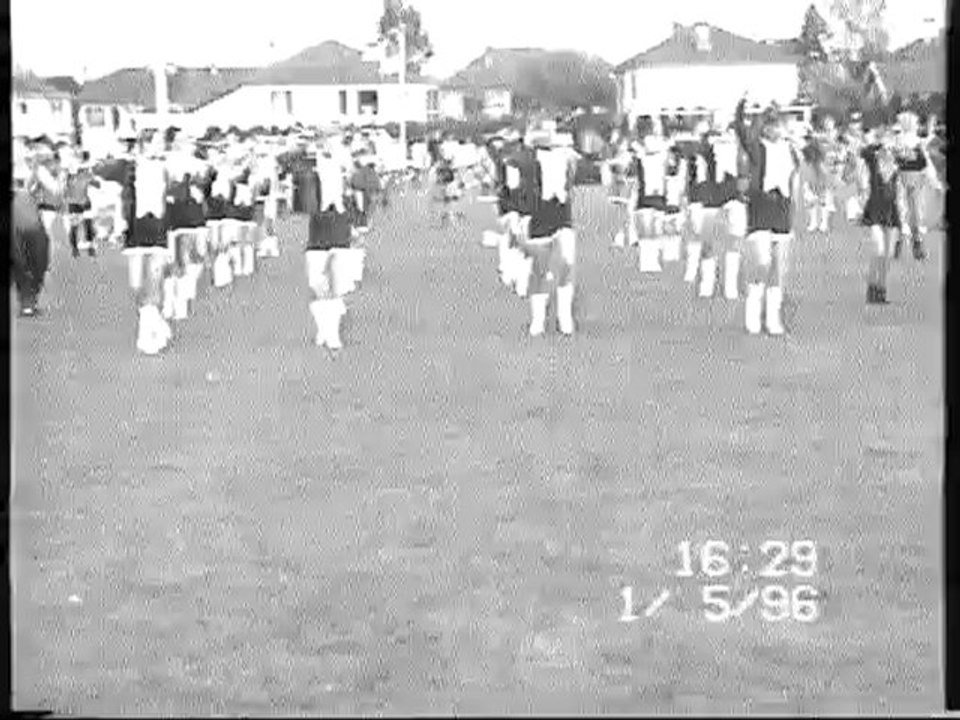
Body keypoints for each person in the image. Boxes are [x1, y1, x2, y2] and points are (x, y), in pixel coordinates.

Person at [734, 95, 802, 336]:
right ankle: (753, 311)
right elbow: (742, 131)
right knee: (762, 262)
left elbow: (795, 177)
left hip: (781, 210)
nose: (775, 129)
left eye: (778, 124)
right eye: (770, 125)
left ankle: (773, 318)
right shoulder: (757, 148)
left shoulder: (791, 149)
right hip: (761, 208)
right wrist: (743, 106)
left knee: (779, 268)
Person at [524, 128, 579, 336]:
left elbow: (570, 181)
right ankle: (538, 320)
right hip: (540, 217)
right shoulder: (529, 162)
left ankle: (564, 318)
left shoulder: (565, 158)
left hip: (561, 216)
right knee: (540, 268)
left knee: (566, 265)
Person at [857, 120, 903, 304]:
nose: (889, 147)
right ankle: (871, 287)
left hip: (892, 211)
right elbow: (863, 151)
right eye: (887, 143)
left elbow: (899, 191)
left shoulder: (896, 164)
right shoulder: (873, 159)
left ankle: (881, 290)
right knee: (879, 249)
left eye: (891, 143)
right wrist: (878, 142)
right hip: (875, 209)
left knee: (889, 254)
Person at [12, 162, 52, 316]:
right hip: (20, 228)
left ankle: (29, 302)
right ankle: (27, 302)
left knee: (37, 263)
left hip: (34, 227)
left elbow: (54, 191)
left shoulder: (35, 178)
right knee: (21, 264)